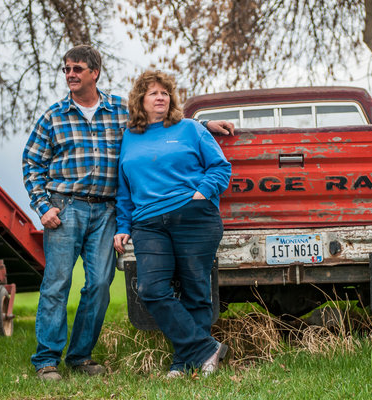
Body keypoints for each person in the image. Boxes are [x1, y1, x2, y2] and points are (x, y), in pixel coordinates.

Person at [23, 45, 234, 381]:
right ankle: (47, 360)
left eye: (77, 69)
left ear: (95, 72)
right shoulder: (54, 116)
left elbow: (163, 120)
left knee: (99, 285)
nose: (70, 75)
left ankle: (80, 357)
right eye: (66, 69)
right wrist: (42, 205)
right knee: (57, 283)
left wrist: (205, 123)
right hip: (65, 208)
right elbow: (32, 162)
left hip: (105, 210)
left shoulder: (118, 111)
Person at [113, 70, 231, 378]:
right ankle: (205, 349)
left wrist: (200, 194)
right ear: (140, 100)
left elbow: (220, 167)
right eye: (153, 92)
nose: (160, 97)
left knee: (194, 289)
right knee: (151, 288)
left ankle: (185, 362)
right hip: (148, 223)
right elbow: (124, 189)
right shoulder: (129, 137)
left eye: (165, 92)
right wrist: (123, 225)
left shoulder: (190, 129)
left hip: (194, 216)